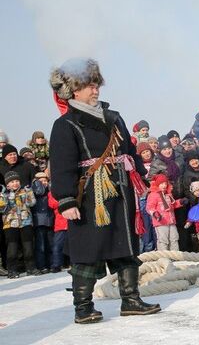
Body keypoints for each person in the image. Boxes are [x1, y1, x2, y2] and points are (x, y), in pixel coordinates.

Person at [49, 58, 159, 323]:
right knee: (88, 251)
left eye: (96, 84)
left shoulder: (115, 117)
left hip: (121, 191)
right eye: (89, 85)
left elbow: (130, 153)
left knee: (126, 248)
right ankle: (83, 307)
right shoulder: (65, 124)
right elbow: (62, 164)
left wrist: (140, 181)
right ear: (75, 90)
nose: (95, 90)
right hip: (88, 197)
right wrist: (66, 200)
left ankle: (131, 300)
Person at [0, 170, 37, 278]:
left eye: (16, 181)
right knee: (12, 249)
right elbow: (2, 208)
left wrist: (29, 191)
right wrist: (6, 196)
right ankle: (12, 270)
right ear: (7, 184)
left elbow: (32, 203)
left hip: (26, 222)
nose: (15, 183)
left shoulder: (24, 191)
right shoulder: (4, 194)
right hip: (10, 224)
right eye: (12, 182)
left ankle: (31, 268)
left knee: (28, 247)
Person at [146, 174, 184, 251]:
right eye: (161, 184)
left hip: (171, 221)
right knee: (163, 240)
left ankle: (175, 256)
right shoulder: (153, 195)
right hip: (161, 222)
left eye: (165, 183)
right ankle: (164, 257)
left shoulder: (168, 195)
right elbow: (149, 207)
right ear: (157, 184)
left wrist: (181, 202)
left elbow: (173, 205)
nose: (164, 185)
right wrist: (155, 213)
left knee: (174, 238)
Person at [32, 171, 54, 274]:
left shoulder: (49, 191)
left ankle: (51, 264)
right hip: (39, 221)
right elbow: (39, 191)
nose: (44, 182)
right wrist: (38, 184)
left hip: (50, 221)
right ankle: (41, 265)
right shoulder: (36, 191)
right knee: (40, 245)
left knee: (50, 244)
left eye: (45, 180)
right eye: (41, 181)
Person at [47, 190, 68, 272]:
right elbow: (52, 204)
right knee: (57, 246)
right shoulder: (52, 192)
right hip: (60, 224)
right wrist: (66, 201)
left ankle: (76, 263)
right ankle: (56, 265)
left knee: (74, 245)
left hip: (72, 222)